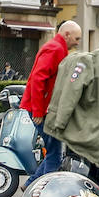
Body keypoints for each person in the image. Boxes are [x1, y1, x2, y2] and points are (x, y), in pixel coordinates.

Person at [20, 21, 81, 183]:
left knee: (54, 152)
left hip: (43, 109)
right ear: (66, 34)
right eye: (77, 38)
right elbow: (38, 80)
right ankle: (44, 189)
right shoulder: (56, 49)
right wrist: (38, 111)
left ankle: (31, 184)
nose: (77, 42)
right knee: (54, 154)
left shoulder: (57, 48)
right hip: (42, 110)